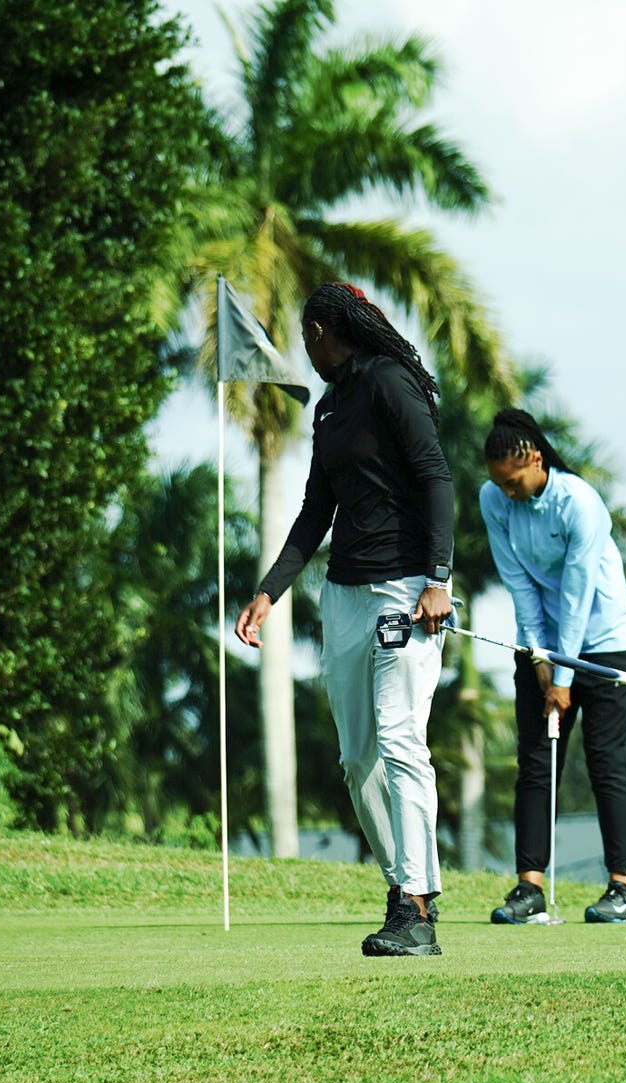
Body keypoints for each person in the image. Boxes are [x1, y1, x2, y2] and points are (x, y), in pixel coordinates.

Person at [235, 282, 454, 957]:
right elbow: (313, 513)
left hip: (406, 592)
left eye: (308, 336)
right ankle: (402, 891)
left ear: (328, 329)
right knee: (357, 760)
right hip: (344, 595)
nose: (306, 348)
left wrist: (439, 581)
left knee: (399, 740)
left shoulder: (390, 382)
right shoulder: (329, 409)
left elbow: (436, 478)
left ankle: (417, 906)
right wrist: (270, 592)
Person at [479, 408, 626, 924]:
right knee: (534, 764)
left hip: (605, 645)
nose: (506, 492)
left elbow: (576, 594)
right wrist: (538, 658)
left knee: (607, 765)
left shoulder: (579, 503)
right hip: (544, 646)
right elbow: (520, 587)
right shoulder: (495, 501)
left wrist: (565, 678)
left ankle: (623, 889)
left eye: (513, 481)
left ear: (532, 458)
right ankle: (529, 890)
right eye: (499, 484)